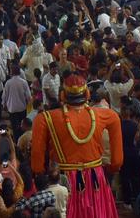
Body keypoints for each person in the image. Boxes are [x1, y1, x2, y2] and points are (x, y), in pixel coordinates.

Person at [30, 75, 124, 218]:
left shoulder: (44, 118)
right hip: (95, 178)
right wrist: (111, 169)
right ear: (87, 94)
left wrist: (42, 176)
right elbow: (117, 161)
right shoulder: (106, 115)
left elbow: (37, 163)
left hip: (62, 180)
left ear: (63, 95)